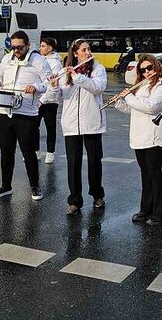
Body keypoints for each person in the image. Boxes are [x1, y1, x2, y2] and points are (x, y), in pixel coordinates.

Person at [0, 31, 52, 201]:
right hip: (6, 112)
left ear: (28, 45)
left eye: (19, 47)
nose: (16, 50)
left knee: (28, 152)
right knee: (5, 152)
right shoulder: (7, 58)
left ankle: (35, 186)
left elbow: (49, 82)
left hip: (26, 113)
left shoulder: (38, 60)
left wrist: (36, 86)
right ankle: (5, 186)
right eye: (13, 47)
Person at [113, 55, 162, 225]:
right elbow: (134, 109)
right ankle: (146, 209)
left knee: (154, 173)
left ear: (156, 66)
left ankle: (161, 213)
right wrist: (120, 102)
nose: (147, 72)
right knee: (146, 173)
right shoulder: (142, 85)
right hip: (140, 134)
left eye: (150, 68)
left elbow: (152, 106)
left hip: (155, 135)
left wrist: (129, 97)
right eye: (143, 70)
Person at [55, 39, 107, 215]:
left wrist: (78, 77)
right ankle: (75, 200)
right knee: (73, 163)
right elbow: (58, 97)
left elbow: (98, 88)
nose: (88, 52)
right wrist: (54, 87)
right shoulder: (65, 71)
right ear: (75, 53)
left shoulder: (97, 69)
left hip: (92, 122)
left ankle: (97, 195)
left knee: (94, 161)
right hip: (70, 124)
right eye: (84, 50)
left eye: (88, 49)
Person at [35, 37, 62, 164]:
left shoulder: (56, 63)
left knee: (50, 127)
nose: (40, 48)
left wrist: (43, 99)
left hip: (50, 100)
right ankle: (35, 151)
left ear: (50, 48)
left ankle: (50, 152)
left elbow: (51, 82)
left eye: (43, 46)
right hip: (37, 98)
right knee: (34, 126)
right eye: (40, 46)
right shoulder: (39, 60)